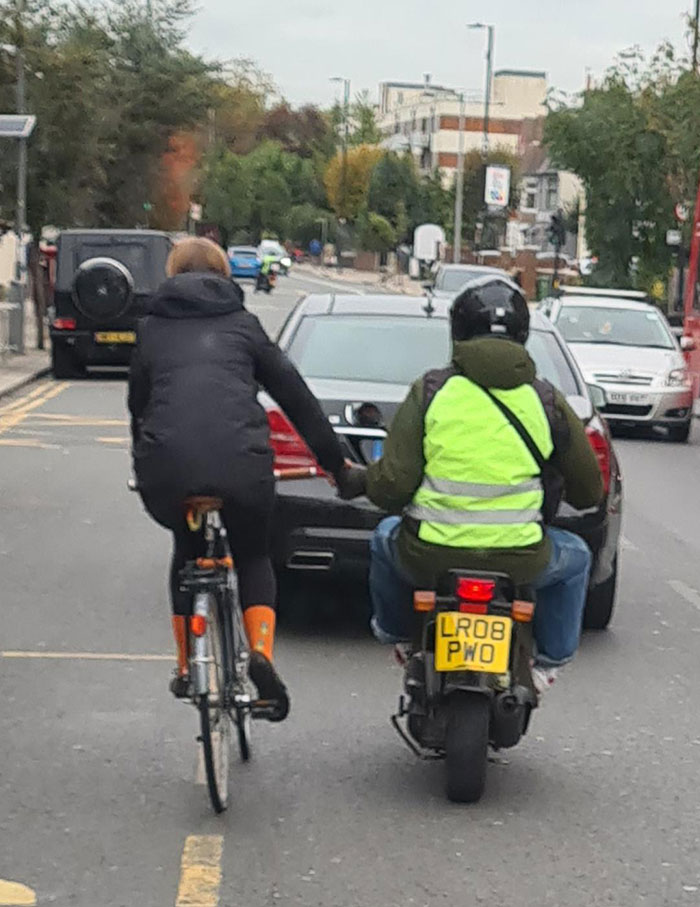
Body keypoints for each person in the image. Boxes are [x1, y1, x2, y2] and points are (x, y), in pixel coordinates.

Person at [339, 276, 603, 693]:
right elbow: (589, 492)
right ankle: (547, 665)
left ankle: (400, 638)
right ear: (523, 334)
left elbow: (393, 486)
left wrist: (359, 480)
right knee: (578, 557)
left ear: (457, 332)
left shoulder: (430, 391)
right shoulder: (548, 401)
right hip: (521, 560)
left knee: (384, 538)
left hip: (429, 556)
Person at [128, 237, 350, 720]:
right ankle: (262, 654)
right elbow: (297, 400)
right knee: (251, 553)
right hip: (242, 468)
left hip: (167, 471)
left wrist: (143, 466)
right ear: (224, 276)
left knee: (186, 552)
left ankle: (185, 666)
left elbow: (138, 408)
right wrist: (337, 466)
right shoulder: (244, 326)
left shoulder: (150, 330)